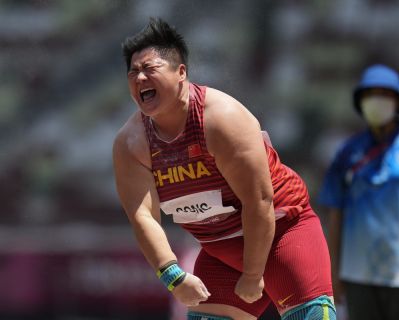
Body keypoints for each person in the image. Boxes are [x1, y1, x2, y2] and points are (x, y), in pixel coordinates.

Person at [112, 17, 336, 320]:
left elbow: (260, 202)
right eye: (133, 72)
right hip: (220, 251)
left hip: (283, 231)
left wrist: (254, 273)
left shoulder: (221, 119)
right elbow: (142, 216)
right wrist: (172, 275)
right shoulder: (131, 143)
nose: (139, 78)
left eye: (149, 69)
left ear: (181, 73)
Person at [318, 64, 399, 320]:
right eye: (369, 94)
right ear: (360, 102)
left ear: (398, 101)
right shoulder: (347, 153)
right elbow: (336, 214)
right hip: (358, 273)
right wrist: (333, 271)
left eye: (384, 94)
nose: (376, 101)